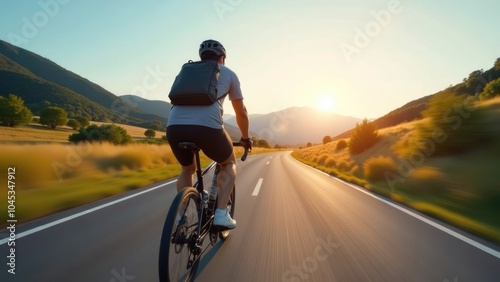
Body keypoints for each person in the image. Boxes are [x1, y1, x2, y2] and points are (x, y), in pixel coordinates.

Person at [166, 39, 252, 229]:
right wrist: (245, 138)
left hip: (174, 127)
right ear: (222, 58)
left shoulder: (185, 72)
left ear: (201, 57)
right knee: (228, 163)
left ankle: (181, 218)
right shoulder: (228, 73)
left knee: (187, 169)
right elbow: (241, 113)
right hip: (208, 129)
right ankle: (221, 214)